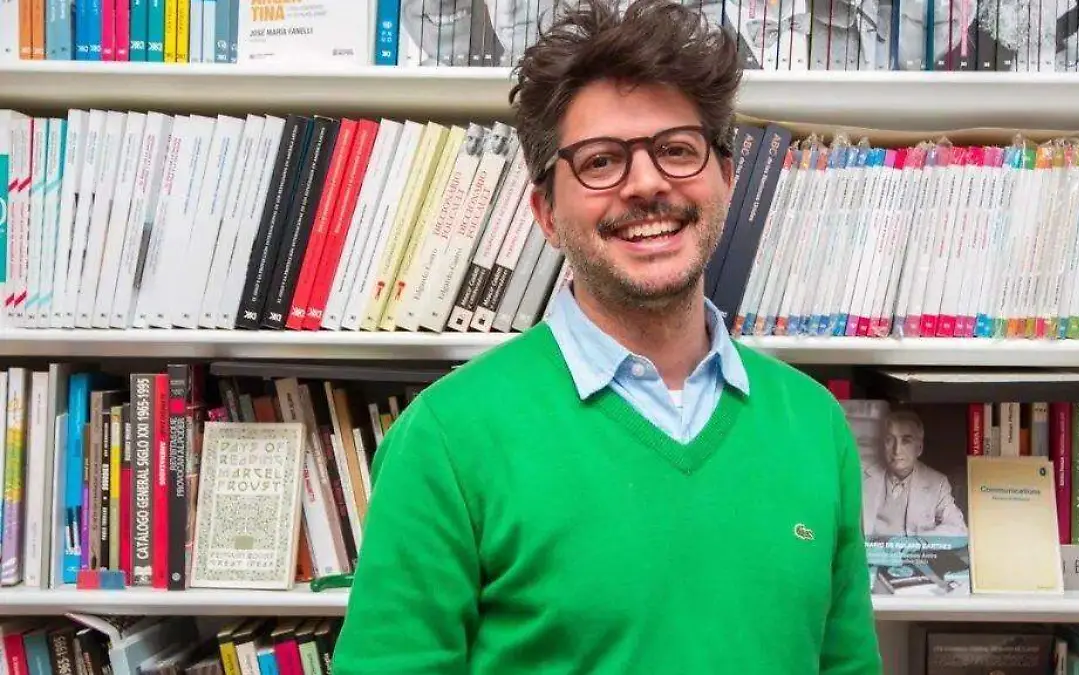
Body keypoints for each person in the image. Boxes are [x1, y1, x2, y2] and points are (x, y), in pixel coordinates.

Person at [331, 0, 881, 672]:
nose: (647, 183)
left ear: (727, 179)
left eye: (676, 150)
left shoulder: (816, 426)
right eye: (600, 162)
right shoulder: (445, 439)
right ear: (546, 213)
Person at [862, 409, 967, 538]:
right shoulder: (862, 477)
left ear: (919, 448)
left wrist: (915, 542)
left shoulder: (937, 483)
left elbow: (958, 529)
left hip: (916, 549)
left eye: (906, 441)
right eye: (889, 440)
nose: (897, 450)